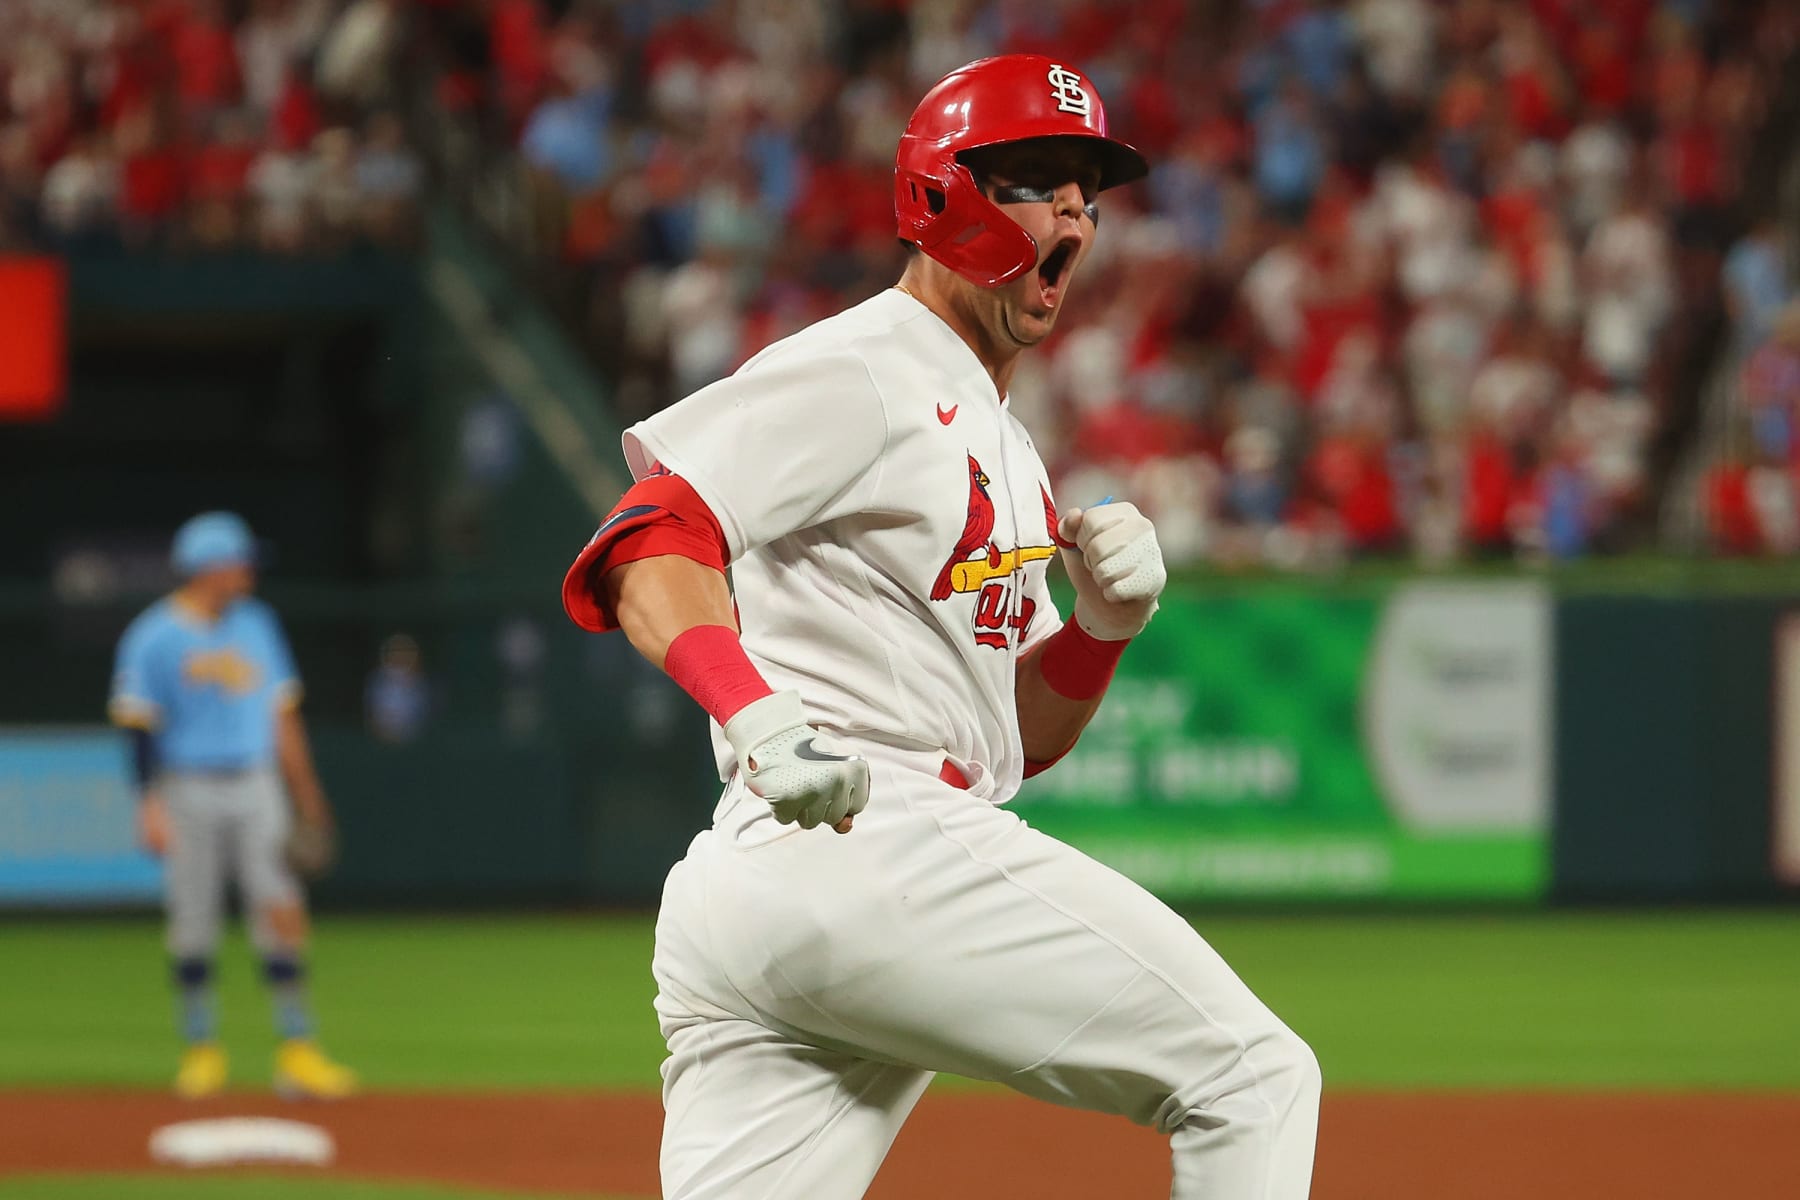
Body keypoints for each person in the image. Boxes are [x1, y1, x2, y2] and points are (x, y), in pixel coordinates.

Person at [562, 56, 1320, 1198]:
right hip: (866, 844)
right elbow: (647, 538)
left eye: (1089, 194)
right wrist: (755, 710)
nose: (1074, 211)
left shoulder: (1000, 434)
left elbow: (1020, 732)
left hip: (778, 891)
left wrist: (1104, 628)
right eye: (1038, 181)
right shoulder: (866, 368)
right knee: (1253, 1080)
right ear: (940, 196)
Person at [108, 512, 356, 1100]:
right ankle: (201, 1049)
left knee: (281, 912)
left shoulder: (257, 624)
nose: (248, 571)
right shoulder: (154, 635)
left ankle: (298, 1049)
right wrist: (147, 805)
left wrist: (307, 794)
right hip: (187, 786)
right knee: (192, 921)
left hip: (256, 783)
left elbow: (282, 715)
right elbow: (139, 726)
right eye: (239, 561)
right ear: (207, 568)